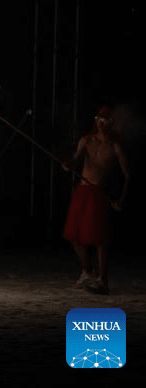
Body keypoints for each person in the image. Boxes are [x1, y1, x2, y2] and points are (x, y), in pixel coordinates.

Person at [62, 106, 131, 295]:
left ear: (111, 124)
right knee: (73, 235)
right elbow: (76, 161)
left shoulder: (115, 146)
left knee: (99, 238)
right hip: (82, 191)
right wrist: (69, 165)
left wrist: (121, 199)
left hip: (98, 193)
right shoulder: (86, 140)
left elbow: (128, 175)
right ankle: (87, 272)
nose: (102, 123)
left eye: (106, 120)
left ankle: (103, 280)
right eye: (99, 119)